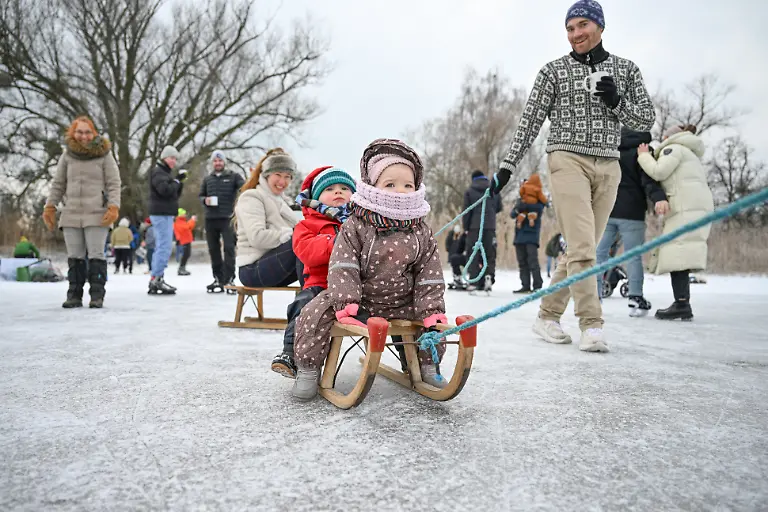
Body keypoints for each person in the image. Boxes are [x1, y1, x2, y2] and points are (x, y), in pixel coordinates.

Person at [490, 0, 655, 352]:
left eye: (582, 25)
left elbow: (644, 121)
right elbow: (529, 122)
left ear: (599, 26)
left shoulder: (626, 70)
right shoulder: (554, 71)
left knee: (582, 250)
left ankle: (547, 316)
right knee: (582, 246)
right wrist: (507, 167)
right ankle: (591, 324)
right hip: (566, 158)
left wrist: (615, 102)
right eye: (570, 28)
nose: (576, 33)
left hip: (609, 165)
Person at [292, 138, 447, 400]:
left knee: (430, 322)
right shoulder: (357, 224)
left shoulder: (420, 229)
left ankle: (426, 365)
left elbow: (429, 273)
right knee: (313, 313)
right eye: (390, 184)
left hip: (402, 300)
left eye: (408, 185)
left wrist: (431, 309)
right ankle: (308, 369)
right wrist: (347, 301)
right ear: (373, 187)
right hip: (359, 300)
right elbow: (343, 264)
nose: (400, 190)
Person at [270, 166, 357, 378]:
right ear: (317, 196)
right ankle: (290, 353)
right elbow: (308, 252)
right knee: (302, 305)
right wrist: (337, 242)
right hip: (320, 285)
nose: (338, 192)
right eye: (330, 189)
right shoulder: (307, 225)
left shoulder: (361, 223)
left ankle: (412, 361)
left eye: (344, 188)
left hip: (356, 287)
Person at [637, 124, 714, 321]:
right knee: (681, 252)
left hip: (684, 208)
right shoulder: (690, 153)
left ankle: (681, 303)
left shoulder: (674, 149)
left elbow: (659, 172)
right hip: (697, 207)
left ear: (669, 137)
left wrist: (643, 155)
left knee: (676, 252)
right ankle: (682, 301)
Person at [43, 116, 121, 308]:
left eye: (87, 132)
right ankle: (74, 295)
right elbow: (58, 184)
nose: (83, 136)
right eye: (79, 132)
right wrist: (50, 205)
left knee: (96, 254)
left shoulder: (104, 154)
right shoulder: (67, 155)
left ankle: (97, 295)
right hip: (71, 213)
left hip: (97, 213)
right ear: (73, 133)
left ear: (93, 133)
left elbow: (114, 183)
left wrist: (113, 206)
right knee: (75, 256)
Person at [596, 127, 667, 316]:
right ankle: (635, 298)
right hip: (632, 212)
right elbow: (648, 180)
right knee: (633, 256)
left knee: (599, 254)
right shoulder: (643, 151)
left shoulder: (609, 148)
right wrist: (659, 197)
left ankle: (593, 296)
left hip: (608, 209)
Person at [235, 148, 300, 288]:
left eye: (288, 176)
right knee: (303, 240)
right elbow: (257, 237)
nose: (282, 181)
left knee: (318, 243)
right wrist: (289, 235)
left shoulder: (284, 201)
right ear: (267, 175)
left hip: (275, 266)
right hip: (252, 269)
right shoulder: (252, 197)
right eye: (278, 174)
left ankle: (318, 297)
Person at [199, 150, 245, 291]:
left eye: (220, 160)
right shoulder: (208, 179)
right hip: (210, 219)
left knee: (229, 249)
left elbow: (245, 188)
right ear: (212, 163)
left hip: (228, 218)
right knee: (213, 250)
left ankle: (229, 279)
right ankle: (217, 278)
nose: (217, 163)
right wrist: (204, 200)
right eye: (215, 161)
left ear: (224, 162)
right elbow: (201, 195)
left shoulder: (233, 176)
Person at [147, 145, 187, 294]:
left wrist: (179, 182)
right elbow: (165, 190)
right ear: (164, 157)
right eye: (171, 158)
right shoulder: (158, 172)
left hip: (165, 212)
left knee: (163, 246)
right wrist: (176, 182)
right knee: (164, 246)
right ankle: (156, 278)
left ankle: (157, 277)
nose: (173, 161)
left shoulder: (166, 173)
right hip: (160, 213)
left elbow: (174, 194)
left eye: (175, 159)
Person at [462, 170, 502, 291]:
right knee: (490, 253)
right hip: (490, 226)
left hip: (474, 227)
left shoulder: (469, 191)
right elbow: (499, 207)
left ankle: (473, 281)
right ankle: (488, 277)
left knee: (473, 253)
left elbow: (467, 211)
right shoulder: (494, 190)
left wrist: (466, 228)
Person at [511, 180, 547, 294]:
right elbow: (512, 214)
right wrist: (518, 208)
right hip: (519, 236)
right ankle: (525, 285)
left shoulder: (538, 202)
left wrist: (523, 205)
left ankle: (537, 286)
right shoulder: (519, 201)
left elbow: (539, 209)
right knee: (522, 262)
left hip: (531, 236)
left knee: (532, 261)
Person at [173, 208, 197, 276]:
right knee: (185, 255)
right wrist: (192, 220)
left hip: (186, 240)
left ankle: (182, 268)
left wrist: (192, 221)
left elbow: (189, 227)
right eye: (184, 213)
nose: (185, 215)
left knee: (187, 254)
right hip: (183, 241)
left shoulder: (182, 221)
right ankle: (181, 268)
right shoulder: (178, 222)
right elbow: (186, 227)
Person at [446, 224, 467, 289]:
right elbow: (448, 245)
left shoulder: (463, 237)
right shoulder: (453, 237)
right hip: (460, 256)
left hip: (473, 257)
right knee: (454, 259)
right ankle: (457, 278)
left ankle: (475, 281)